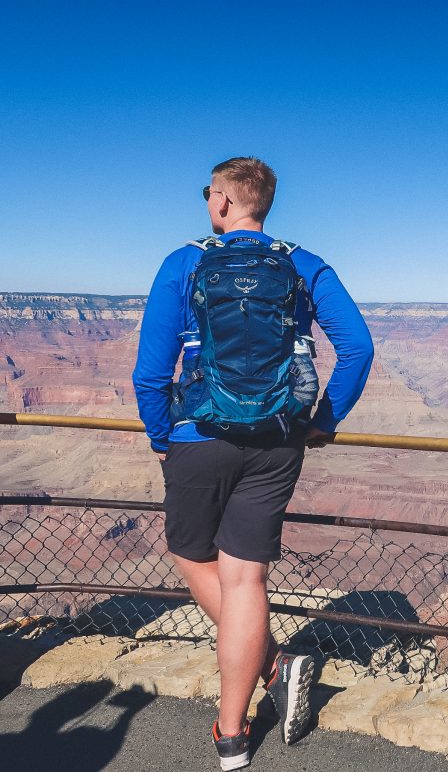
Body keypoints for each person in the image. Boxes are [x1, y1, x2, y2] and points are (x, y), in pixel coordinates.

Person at [132, 157, 374, 770]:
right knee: (246, 581)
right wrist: (324, 419)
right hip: (277, 440)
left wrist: (163, 436)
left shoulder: (182, 263)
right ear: (264, 204)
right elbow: (358, 347)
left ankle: (275, 667)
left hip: (197, 434)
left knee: (191, 554)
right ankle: (233, 736)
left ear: (220, 202)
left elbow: (152, 371)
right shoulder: (302, 263)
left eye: (207, 195)